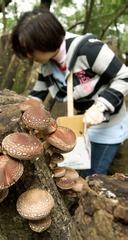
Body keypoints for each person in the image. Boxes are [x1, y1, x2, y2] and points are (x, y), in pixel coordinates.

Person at [11, 9, 128, 177]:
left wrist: (101, 107)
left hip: (108, 125)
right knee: (76, 167)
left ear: (45, 40)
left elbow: (124, 76)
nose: (29, 55)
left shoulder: (90, 50)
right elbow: (37, 95)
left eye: (31, 49)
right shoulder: (47, 65)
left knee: (94, 174)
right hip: (82, 124)